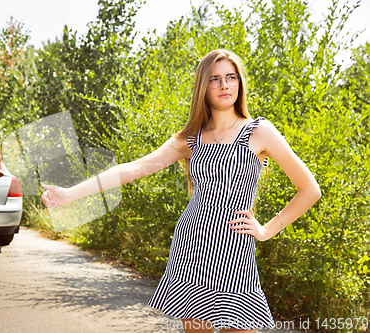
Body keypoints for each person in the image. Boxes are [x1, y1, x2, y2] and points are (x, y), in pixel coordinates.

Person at [40, 49, 322, 333]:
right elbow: (132, 168)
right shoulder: (191, 138)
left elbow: (310, 189)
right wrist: (69, 193)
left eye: (231, 77)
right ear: (203, 86)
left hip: (236, 252)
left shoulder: (260, 131)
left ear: (239, 82)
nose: (224, 85)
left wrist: (267, 230)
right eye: (214, 79)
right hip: (192, 246)